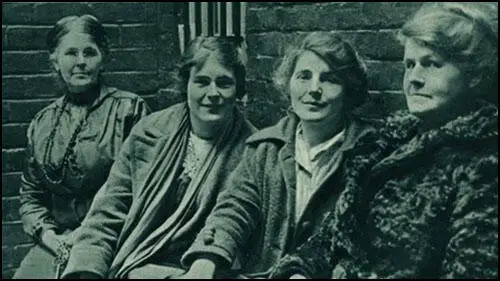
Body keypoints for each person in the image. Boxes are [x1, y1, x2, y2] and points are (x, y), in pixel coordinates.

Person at [269, 2, 498, 279]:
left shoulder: (484, 163)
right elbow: (332, 238)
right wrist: (299, 273)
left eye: (431, 65)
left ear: (474, 74)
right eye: (409, 65)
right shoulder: (386, 145)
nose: (414, 78)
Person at [177, 32, 411, 279]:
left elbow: (365, 238)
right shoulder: (265, 148)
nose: (314, 90)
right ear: (288, 83)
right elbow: (235, 208)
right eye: (303, 77)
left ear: (349, 90)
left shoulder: (371, 151)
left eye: (329, 79)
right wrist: (207, 258)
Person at [60, 36, 257, 279]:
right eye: (202, 82)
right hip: (141, 263)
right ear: (186, 84)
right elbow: (110, 210)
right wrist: (88, 269)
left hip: (209, 268)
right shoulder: (149, 133)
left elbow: (237, 222)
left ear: (237, 88)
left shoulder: (254, 149)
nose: (213, 93)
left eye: (224, 83)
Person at [13, 15, 150, 279]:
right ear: (55, 60)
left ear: (103, 58)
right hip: (57, 241)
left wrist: (84, 234)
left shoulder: (130, 110)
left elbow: (142, 189)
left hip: (113, 238)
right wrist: (49, 236)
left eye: (89, 52)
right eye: (70, 53)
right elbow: (31, 195)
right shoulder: (42, 122)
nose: (80, 62)